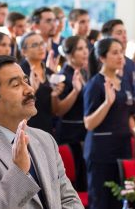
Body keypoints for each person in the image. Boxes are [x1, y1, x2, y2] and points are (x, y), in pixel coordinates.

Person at [0, 55, 83, 209]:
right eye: (16, 85)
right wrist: (19, 171)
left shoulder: (44, 139)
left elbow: (69, 199)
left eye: (26, 80)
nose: (29, 89)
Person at [84, 38, 135, 209]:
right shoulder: (95, 84)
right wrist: (107, 103)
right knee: (101, 201)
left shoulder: (125, 81)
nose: (120, 56)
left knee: (122, 198)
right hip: (102, 152)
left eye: (121, 52)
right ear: (102, 58)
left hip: (123, 148)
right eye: (115, 52)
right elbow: (89, 123)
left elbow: (128, 115)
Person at [56, 36, 88, 191]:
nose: (85, 52)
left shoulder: (83, 73)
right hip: (70, 135)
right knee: (74, 182)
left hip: (83, 133)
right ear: (70, 54)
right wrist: (75, 91)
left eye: (86, 48)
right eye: (80, 49)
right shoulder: (63, 76)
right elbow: (59, 109)